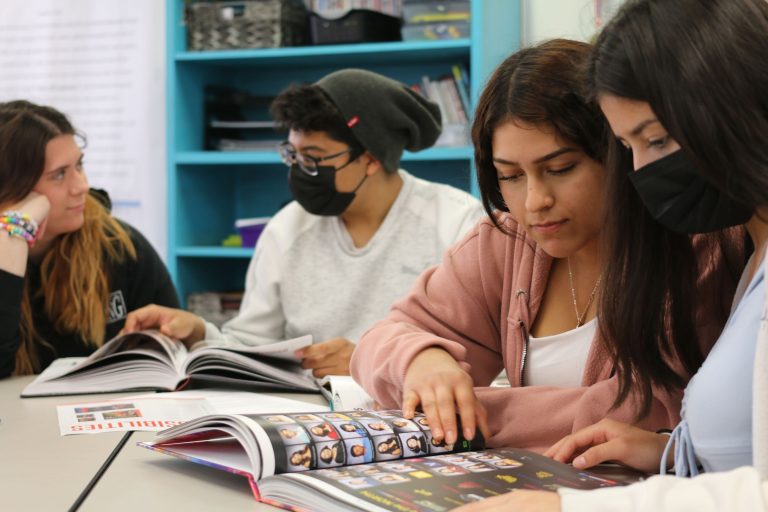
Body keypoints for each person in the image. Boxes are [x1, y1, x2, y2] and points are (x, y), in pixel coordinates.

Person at [350, 39, 744, 452]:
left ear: (618, 151)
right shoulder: (504, 242)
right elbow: (382, 340)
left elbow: (655, 408)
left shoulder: (696, 246)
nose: (536, 202)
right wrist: (421, 360)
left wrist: (479, 413)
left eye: (560, 169)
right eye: (511, 176)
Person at [454, 1, 768, 510]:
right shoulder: (755, 254)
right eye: (628, 147)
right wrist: (671, 451)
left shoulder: (709, 253)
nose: (640, 172)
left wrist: (569, 506)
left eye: (657, 140)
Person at [123, 69, 483, 377]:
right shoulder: (286, 230)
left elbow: (483, 355)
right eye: (291, 155)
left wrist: (370, 360)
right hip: (305, 416)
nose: (299, 171)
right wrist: (197, 331)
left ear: (372, 158)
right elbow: (251, 345)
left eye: (314, 159)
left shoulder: (456, 223)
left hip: (417, 417)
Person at [0, 100, 179, 377]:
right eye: (59, 175)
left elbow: (173, 357)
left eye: (79, 166)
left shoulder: (118, 243)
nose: (81, 186)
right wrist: (12, 234)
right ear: (12, 187)